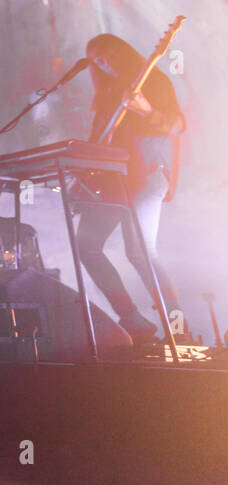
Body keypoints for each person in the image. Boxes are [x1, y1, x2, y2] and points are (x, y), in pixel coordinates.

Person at [76, 34, 185, 343]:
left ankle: (178, 327)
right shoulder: (107, 93)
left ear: (121, 51)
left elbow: (177, 125)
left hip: (145, 176)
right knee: (87, 246)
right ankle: (133, 321)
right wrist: (82, 174)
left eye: (107, 56)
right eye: (96, 61)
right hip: (112, 180)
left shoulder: (154, 80)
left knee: (140, 252)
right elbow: (98, 141)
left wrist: (146, 110)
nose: (103, 64)